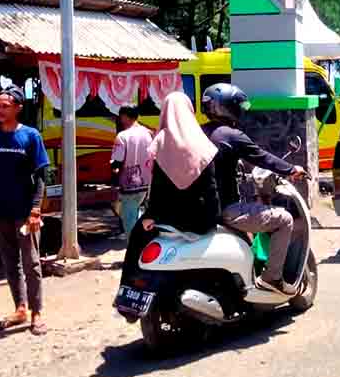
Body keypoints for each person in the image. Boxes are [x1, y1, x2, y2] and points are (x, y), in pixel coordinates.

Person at [200, 83, 307, 295]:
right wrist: (291, 169)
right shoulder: (231, 135)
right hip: (225, 210)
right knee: (284, 220)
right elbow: (262, 157)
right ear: (229, 107)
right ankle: (272, 278)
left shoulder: (199, 132)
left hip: (200, 208)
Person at [116, 92, 220, 293]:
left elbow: (158, 187)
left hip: (170, 218)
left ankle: (127, 292)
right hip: (202, 220)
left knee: (137, 238)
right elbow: (211, 188)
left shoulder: (161, 141)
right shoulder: (202, 139)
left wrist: (150, 216)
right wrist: (214, 217)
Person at [0, 86, 50, 336]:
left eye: (6, 105)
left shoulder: (30, 136)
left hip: (25, 212)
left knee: (32, 264)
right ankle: (20, 308)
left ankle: (37, 313)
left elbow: (40, 176)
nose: (0, 109)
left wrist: (36, 208)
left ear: (18, 108)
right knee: (9, 263)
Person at [110, 105, 153, 237]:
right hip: (147, 183)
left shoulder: (122, 136)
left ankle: (134, 250)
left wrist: (113, 167)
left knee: (129, 221)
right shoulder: (148, 133)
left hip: (129, 185)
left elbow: (117, 161)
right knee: (142, 215)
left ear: (124, 117)